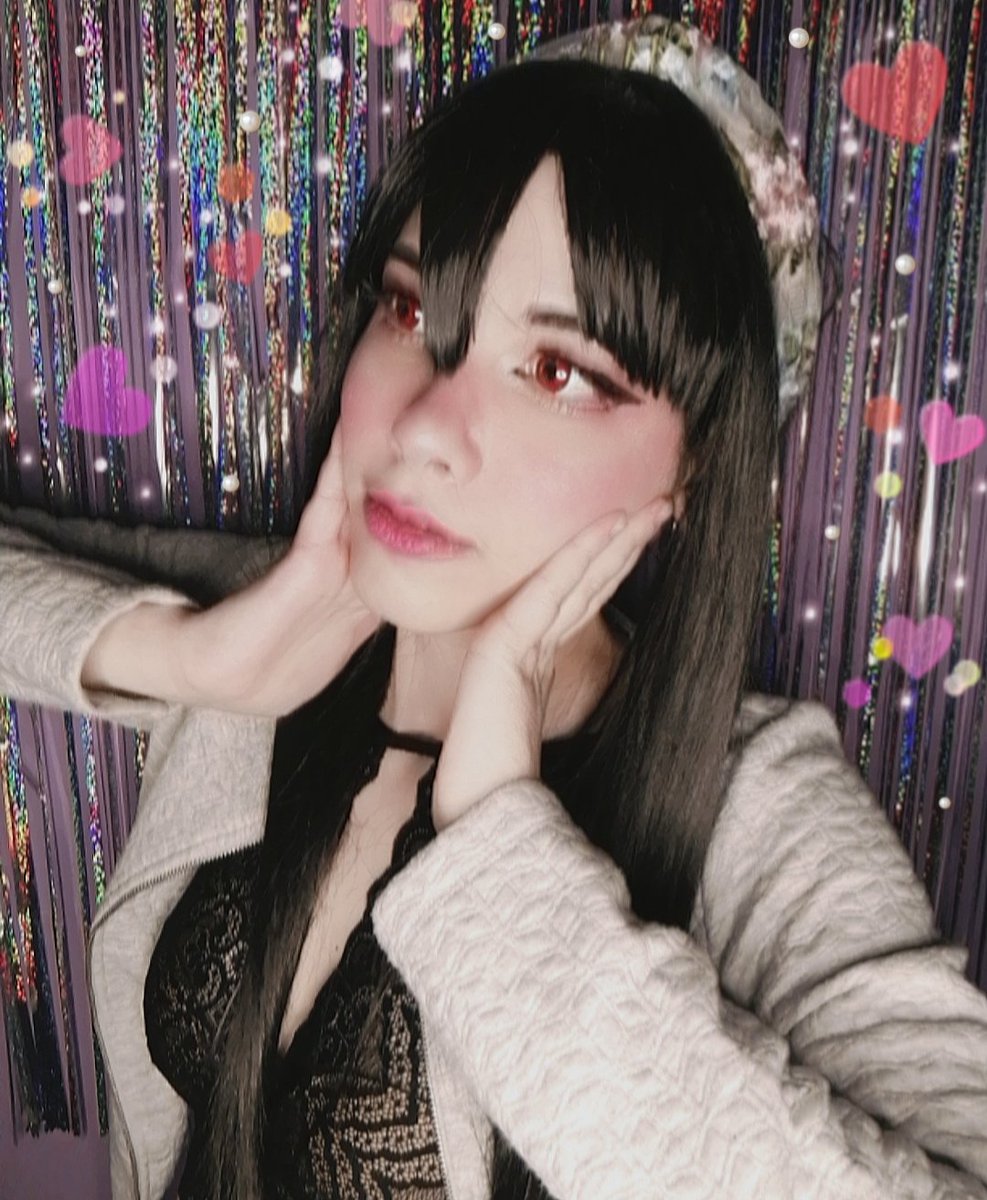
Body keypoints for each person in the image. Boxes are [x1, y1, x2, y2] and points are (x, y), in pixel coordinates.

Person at [2, 17, 987, 1200]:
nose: (424, 427)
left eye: (557, 371)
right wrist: (194, 656)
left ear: (693, 468)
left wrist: (500, 847)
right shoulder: (289, 607)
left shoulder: (759, 808)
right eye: (413, 312)